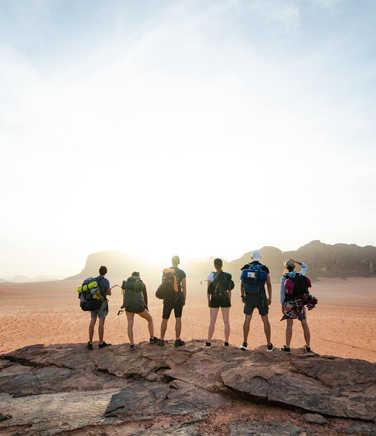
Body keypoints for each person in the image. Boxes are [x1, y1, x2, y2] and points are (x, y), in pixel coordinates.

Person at [240, 250, 274, 351]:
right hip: (261, 297)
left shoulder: (246, 267)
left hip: (249, 297)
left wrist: (242, 296)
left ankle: (244, 343)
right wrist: (270, 297)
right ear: (260, 257)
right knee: (265, 320)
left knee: (247, 319)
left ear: (251, 258)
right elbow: (268, 284)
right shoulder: (264, 268)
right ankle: (269, 345)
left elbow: (242, 284)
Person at [280, 259, 312, 353]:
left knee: (289, 324)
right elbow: (305, 266)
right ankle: (308, 346)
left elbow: (282, 293)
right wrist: (295, 261)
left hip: (289, 303)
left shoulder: (284, 278)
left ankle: (287, 347)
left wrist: (282, 305)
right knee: (304, 323)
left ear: (286, 267)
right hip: (299, 302)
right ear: (294, 267)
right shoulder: (300, 274)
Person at [122, 272, 158, 351]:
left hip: (128, 306)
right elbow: (145, 296)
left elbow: (124, 295)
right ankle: (152, 338)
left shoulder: (127, 284)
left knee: (130, 323)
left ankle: (131, 344)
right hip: (138, 306)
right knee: (150, 319)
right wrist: (146, 307)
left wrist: (125, 304)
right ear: (138, 277)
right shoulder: (141, 283)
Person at [159, 255, 187, 347]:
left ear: (171, 262)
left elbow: (162, 284)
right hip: (178, 298)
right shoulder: (182, 272)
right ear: (178, 262)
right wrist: (184, 299)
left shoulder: (166, 271)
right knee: (178, 318)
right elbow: (184, 287)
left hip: (167, 298)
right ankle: (177, 340)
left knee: (164, 319)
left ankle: (161, 339)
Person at [206, 258, 233, 347]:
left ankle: (209, 342)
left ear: (214, 265)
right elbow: (229, 290)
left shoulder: (211, 275)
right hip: (225, 299)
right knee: (226, 322)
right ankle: (226, 342)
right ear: (222, 265)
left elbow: (208, 290)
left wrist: (209, 301)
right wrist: (229, 300)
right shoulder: (227, 275)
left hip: (214, 299)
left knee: (212, 322)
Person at [88, 265, 112, 350]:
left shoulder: (93, 280)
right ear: (105, 272)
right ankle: (101, 343)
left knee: (92, 321)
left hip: (93, 303)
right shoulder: (106, 281)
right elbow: (109, 293)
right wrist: (106, 292)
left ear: (99, 271)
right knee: (101, 323)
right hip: (102, 304)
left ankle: (90, 343)